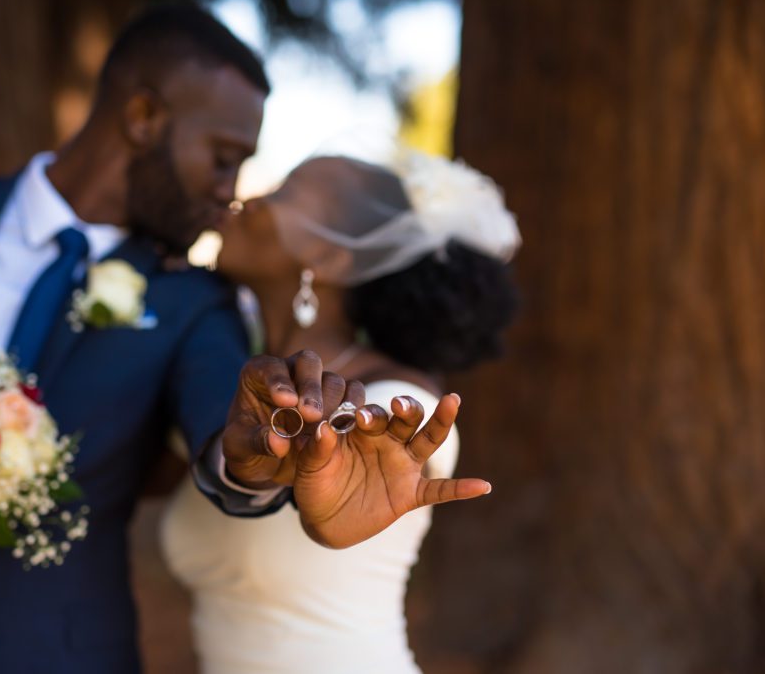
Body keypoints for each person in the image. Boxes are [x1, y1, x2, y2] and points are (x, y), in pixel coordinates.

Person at [0, 5, 488, 674]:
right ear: (143, 117)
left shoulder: (194, 300)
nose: (230, 190)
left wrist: (267, 461)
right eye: (224, 156)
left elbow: (223, 432)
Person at [161, 151, 520, 673]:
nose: (249, 199)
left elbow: (398, 432)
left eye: (283, 193)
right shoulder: (239, 395)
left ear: (333, 258)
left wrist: (351, 458)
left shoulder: (396, 399)